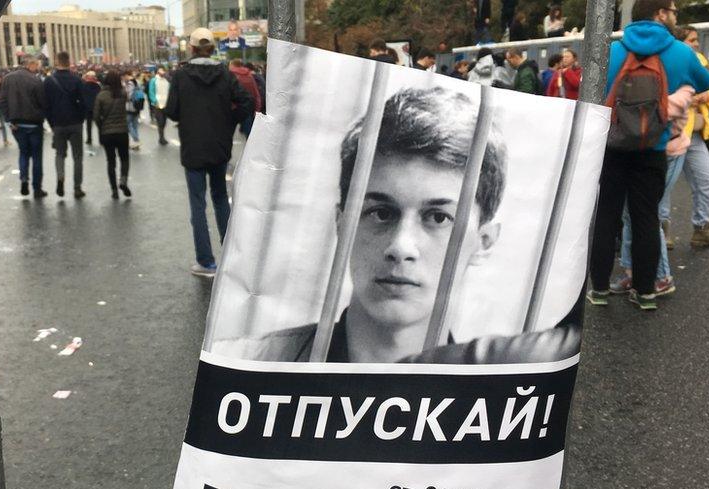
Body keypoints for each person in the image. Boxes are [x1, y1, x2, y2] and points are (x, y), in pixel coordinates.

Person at [215, 86, 579, 364]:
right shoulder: (248, 364)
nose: (401, 247)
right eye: (381, 212)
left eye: (438, 218)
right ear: (342, 223)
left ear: (483, 241)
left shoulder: (505, 393)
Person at [587, 0, 709, 311]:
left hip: (612, 148)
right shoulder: (682, 52)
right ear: (661, 13)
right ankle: (645, 293)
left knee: (606, 217)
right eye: (673, 11)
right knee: (646, 219)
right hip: (653, 150)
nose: (674, 16)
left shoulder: (612, 50)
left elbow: (592, 93)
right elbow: (707, 83)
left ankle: (599, 290)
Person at [164, 27, 254, 278]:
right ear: (213, 49)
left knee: (197, 203)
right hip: (219, 145)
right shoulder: (224, 74)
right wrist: (228, 120)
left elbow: (171, 110)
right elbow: (247, 101)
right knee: (220, 199)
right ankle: (229, 257)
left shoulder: (181, 76)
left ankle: (206, 261)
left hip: (193, 146)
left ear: (191, 49)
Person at [659, 26, 709, 248]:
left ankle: (701, 228)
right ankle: (661, 231)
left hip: (696, 133)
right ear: (680, 43)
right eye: (692, 40)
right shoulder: (671, 59)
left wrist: (706, 97)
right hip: (674, 132)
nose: (697, 43)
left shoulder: (699, 60)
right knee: (665, 186)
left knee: (707, 180)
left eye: (697, 39)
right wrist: (692, 98)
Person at [0, 56, 47, 198]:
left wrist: (9, 120)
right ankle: (37, 189)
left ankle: (24, 179)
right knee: (37, 157)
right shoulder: (36, 80)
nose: (38, 68)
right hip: (34, 124)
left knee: (24, 153)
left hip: (17, 124)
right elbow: (43, 102)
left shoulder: (8, 79)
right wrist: (42, 117)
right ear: (31, 64)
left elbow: (2, 101)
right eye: (37, 65)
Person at [44, 51, 86, 198]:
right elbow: (84, 103)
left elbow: (46, 105)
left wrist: (51, 122)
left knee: (60, 154)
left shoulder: (49, 81)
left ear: (57, 62)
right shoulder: (77, 80)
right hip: (75, 123)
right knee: (78, 157)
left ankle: (60, 178)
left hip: (58, 124)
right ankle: (77, 188)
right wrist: (81, 119)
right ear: (69, 62)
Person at [93, 70, 132, 200]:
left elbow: (96, 116)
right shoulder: (122, 93)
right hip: (122, 132)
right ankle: (123, 181)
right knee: (124, 159)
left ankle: (114, 190)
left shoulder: (101, 95)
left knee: (111, 161)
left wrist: (101, 127)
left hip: (107, 133)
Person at [229, 59, 261, 138]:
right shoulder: (249, 75)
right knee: (249, 135)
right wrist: (257, 109)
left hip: (232, 109)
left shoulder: (229, 75)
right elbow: (256, 93)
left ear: (232, 65)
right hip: (248, 108)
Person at [148, 66, 171, 145]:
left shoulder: (167, 80)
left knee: (164, 122)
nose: (162, 72)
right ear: (157, 71)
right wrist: (154, 101)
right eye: (161, 70)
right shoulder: (153, 80)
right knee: (160, 121)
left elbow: (170, 91)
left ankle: (162, 136)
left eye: (163, 70)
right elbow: (151, 92)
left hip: (166, 104)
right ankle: (161, 138)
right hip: (157, 105)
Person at [124, 72, 143, 150]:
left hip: (131, 107)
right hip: (138, 106)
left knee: (128, 125)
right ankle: (136, 145)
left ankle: (136, 140)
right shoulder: (137, 82)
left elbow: (128, 96)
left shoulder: (130, 84)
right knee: (135, 126)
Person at [82, 70, 101, 148]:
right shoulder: (97, 86)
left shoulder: (84, 85)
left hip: (87, 108)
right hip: (96, 107)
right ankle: (101, 139)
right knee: (99, 124)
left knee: (88, 125)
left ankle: (89, 139)